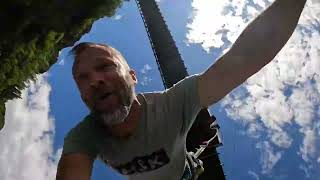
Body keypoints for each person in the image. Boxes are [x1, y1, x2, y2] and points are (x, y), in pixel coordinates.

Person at [56, 0, 307, 179]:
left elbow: (244, 58)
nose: (94, 81)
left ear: (133, 76)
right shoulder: (85, 136)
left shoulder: (174, 103)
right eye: (82, 78)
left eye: (105, 66)